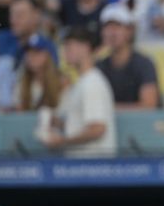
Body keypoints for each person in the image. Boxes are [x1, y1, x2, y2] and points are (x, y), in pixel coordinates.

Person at [44, 27, 116, 157]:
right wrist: (59, 124)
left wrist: (63, 141)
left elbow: (97, 129)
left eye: (69, 46)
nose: (65, 51)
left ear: (86, 47)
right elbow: (82, 125)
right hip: (81, 168)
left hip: (93, 167)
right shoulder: (81, 83)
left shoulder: (92, 82)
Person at [96, 3, 160, 110]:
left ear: (130, 31)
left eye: (118, 26)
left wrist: (108, 109)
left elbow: (149, 105)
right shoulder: (99, 66)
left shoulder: (144, 64)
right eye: (108, 27)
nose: (112, 32)